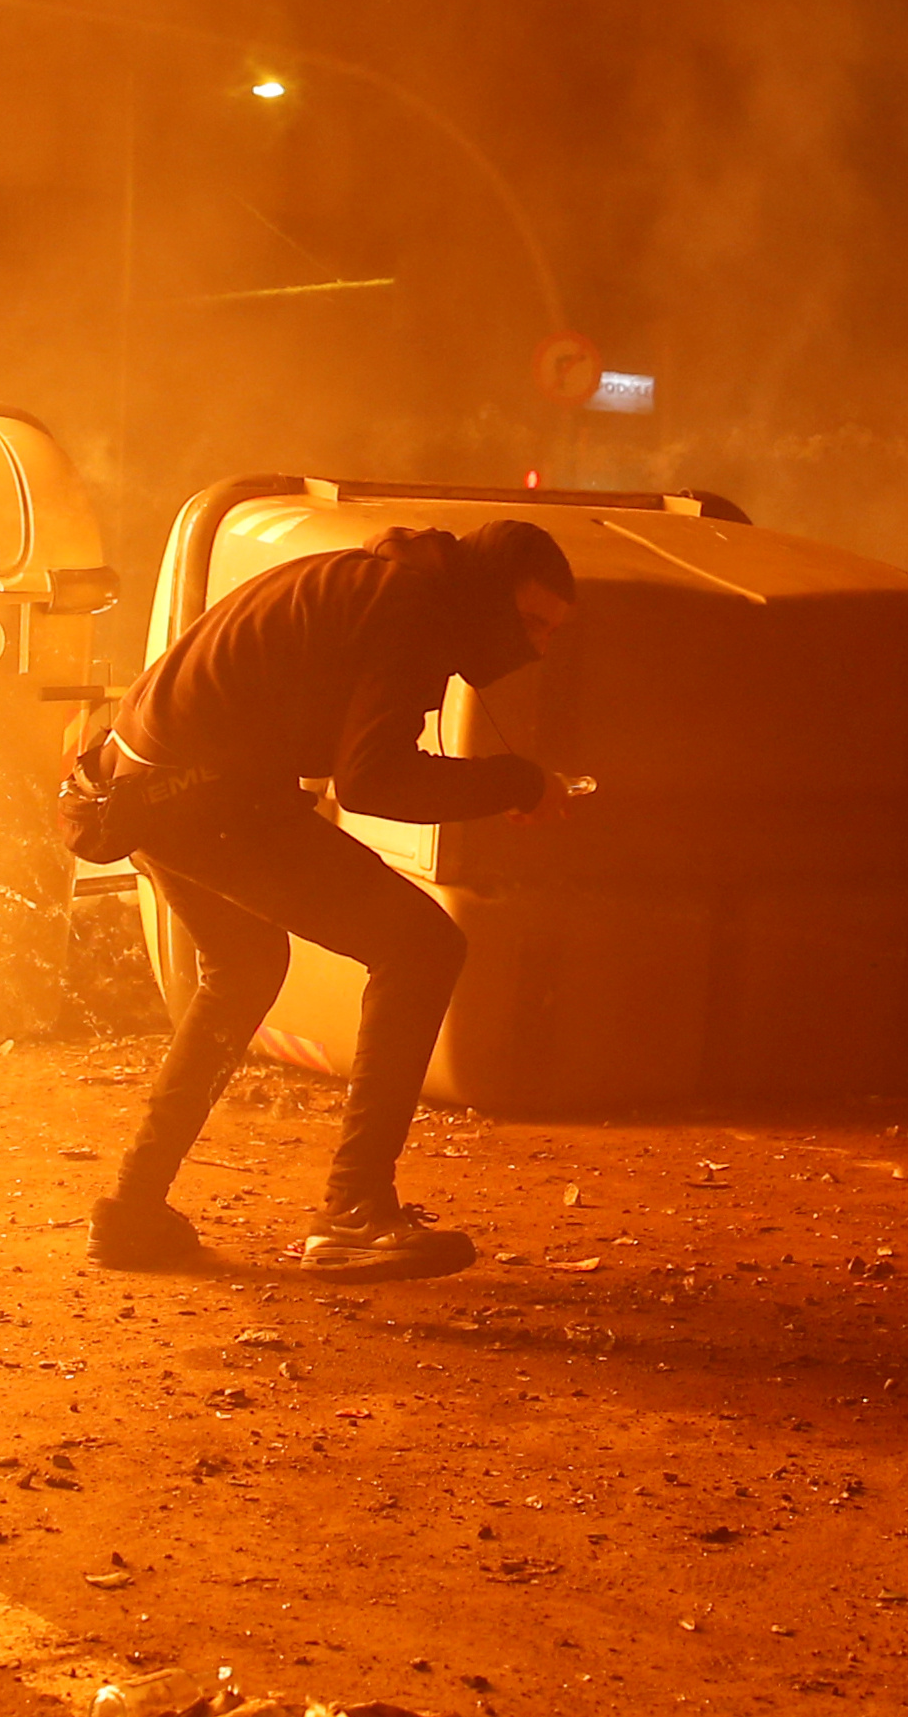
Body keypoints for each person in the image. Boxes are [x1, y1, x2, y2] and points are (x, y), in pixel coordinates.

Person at [78, 518, 576, 1281]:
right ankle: (353, 1211)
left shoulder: (389, 587)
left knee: (244, 967)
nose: (536, 647)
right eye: (532, 623)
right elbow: (374, 779)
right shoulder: (409, 607)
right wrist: (516, 781)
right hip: (197, 792)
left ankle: (132, 1209)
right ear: (487, 593)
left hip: (135, 784)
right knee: (422, 946)